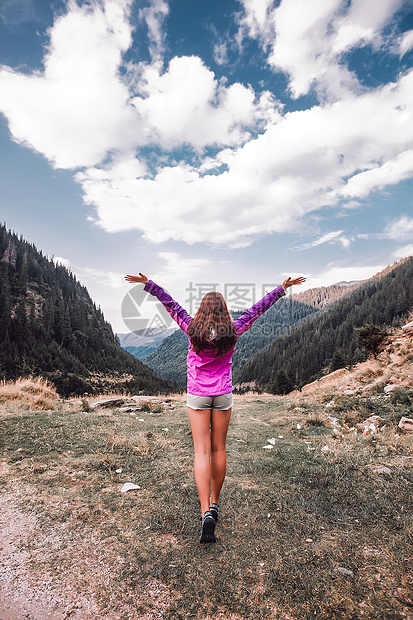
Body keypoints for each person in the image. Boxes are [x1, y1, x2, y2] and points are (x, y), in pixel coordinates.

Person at [125, 272, 306, 543]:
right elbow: (258, 308)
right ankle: (215, 504)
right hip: (223, 395)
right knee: (218, 448)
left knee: (201, 451)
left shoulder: (191, 328)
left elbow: (171, 305)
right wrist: (281, 289)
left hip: (197, 395)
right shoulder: (234, 329)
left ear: (202, 311)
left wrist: (150, 285)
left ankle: (204, 513)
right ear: (224, 311)